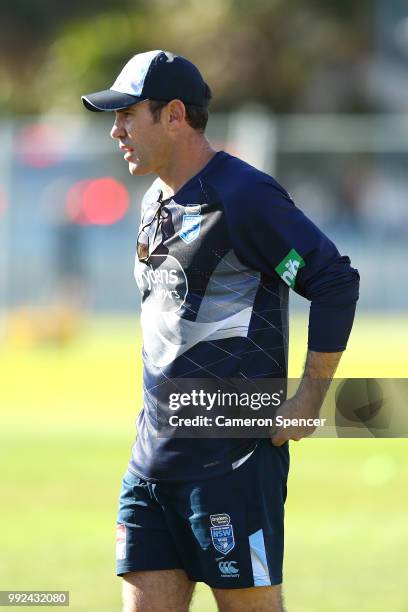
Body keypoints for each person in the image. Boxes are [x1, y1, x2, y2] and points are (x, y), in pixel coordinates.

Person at [82, 50, 360, 612]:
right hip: (151, 462)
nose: (116, 131)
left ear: (175, 115)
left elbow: (333, 280)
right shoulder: (153, 196)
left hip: (231, 463)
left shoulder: (244, 195)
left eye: (127, 115)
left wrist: (310, 396)